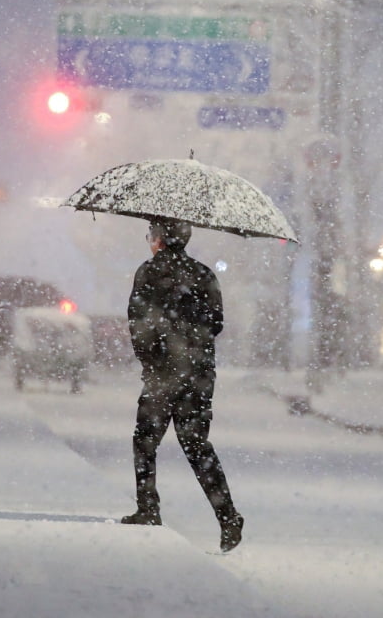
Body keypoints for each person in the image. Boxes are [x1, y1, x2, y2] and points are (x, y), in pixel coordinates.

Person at [122, 219, 243, 552]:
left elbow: (137, 323)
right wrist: (191, 340)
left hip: (162, 376)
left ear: (160, 239)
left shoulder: (147, 273)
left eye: (151, 235)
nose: (150, 241)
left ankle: (148, 507)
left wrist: (153, 356)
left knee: (145, 442)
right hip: (198, 374)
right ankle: (228, 517)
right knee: (197, 446)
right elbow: (216, 323)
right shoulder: (204, 275)